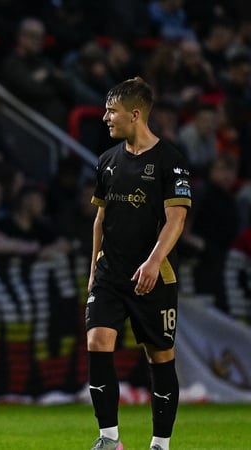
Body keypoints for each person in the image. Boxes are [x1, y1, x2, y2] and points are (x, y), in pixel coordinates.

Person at [87, 77, 191, 450]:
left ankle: (160, 443)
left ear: (135, 114)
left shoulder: (171, 161)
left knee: (160, 355)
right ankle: (109, 439)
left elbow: (176, 219)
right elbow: (100, 219)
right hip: (110, 275)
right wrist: (92, 273)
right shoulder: (106, 161)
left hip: (154, 275)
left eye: (111, 111)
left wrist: (153, 261)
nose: (105, 118)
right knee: (97, 342)